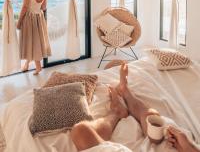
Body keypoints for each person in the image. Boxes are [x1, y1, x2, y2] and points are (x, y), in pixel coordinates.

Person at [71, 63, 200, 152]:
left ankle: (116, 112)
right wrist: (188, 147)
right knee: (152, 119)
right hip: (174, 147)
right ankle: (124, 90)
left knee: (80, 131)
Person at [17, 0, 51, 75]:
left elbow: (25, 6)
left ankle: (38, 66)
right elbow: (44, 7)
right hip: (39, 18)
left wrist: (19, 21)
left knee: (31, 41)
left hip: (29, 18)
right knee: (35, 41)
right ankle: (27, 64)